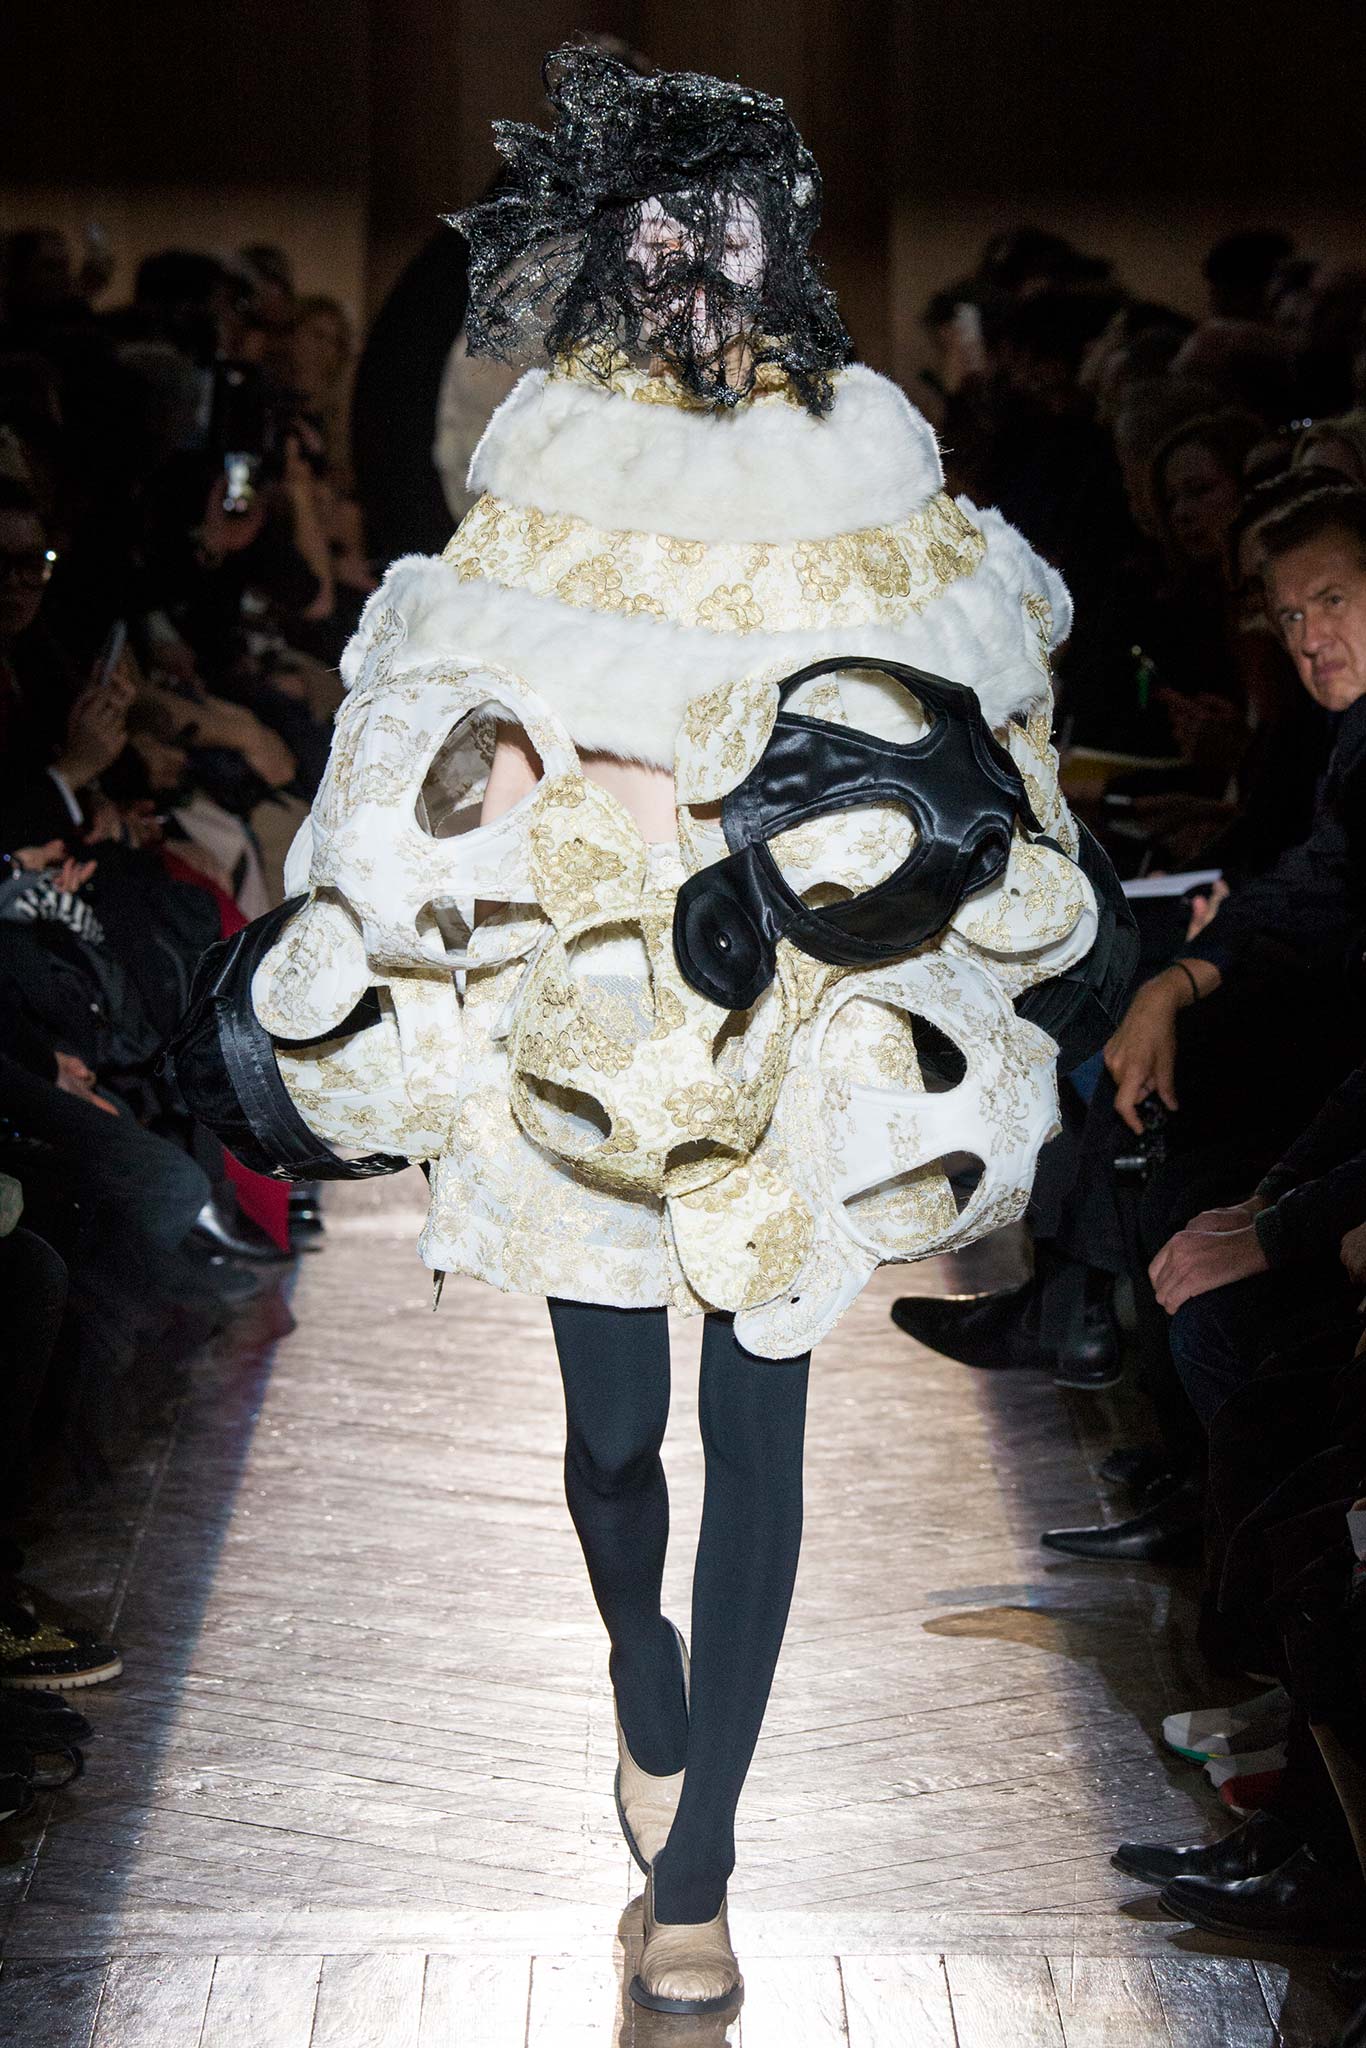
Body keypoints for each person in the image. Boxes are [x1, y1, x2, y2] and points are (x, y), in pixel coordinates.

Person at [255, 48, 1109, 2016]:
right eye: (662, 244)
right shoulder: (551, 455)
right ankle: (641, 1677)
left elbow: (969, 725)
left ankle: (704, 1866)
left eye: (728, 239)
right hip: (590, 1013)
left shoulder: (862, 457)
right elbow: (434, 728)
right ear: (613, 254)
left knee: (761, 1424)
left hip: (799, 1010)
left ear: (777, 245)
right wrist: (538, 801)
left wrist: (829, 829)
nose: (698, 283)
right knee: (611, 1443)